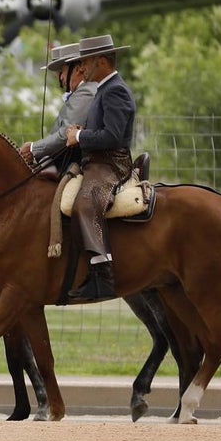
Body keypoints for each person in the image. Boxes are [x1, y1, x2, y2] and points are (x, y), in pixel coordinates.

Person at [63, 34, 136, 301]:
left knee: (85, 203)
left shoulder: (115, 89)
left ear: (102, 61)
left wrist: (79, 137)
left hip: (110, 164)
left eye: (85, 62)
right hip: (97, 161)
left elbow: (114, 136)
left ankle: (102, 275)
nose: (81, 68)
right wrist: (83, 131)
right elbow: (103, 129)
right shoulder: (104, 89)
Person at [19, 42, 96, 175]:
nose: (60, 78)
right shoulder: (80, 92)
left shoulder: (86, 92)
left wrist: (33, 148)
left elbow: (65, 133)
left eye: (62, 71)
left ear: (77, 69)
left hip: (76, 164)